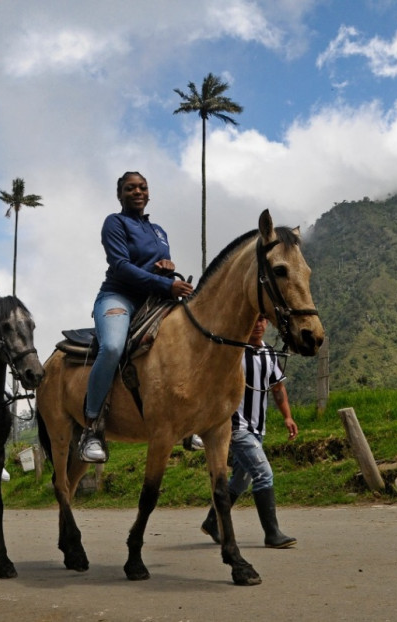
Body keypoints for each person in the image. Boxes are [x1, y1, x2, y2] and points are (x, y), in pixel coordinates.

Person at [80, 171, 194, 463]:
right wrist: (166, 283)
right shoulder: (114, 223)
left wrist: (166, 270)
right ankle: (92, 426)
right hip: (119, 296)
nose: (137, 191)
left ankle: (189, 419)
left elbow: (151, 268)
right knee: (114, 347)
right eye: (130, 188)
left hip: (154, 299)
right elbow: (120, 266)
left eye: (142, 187)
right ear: (120, 195)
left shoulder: (159, 231)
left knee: (190, 340)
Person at [200, 315, 297, 549]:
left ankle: (212, 522)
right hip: (235, 427)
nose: (258, 324)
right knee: (264, 474)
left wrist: (287, 416)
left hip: (257, 428)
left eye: (262, 320)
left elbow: (278, 388)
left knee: (241, 481)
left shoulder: (269, 353)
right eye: (253, 320)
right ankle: (272, 533)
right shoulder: (234, 352)